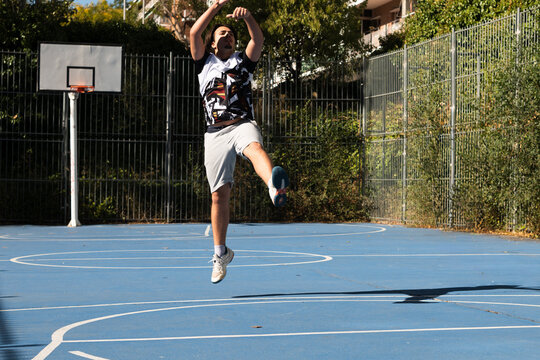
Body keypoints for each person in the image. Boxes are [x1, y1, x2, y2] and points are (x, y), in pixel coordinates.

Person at [190, 0, 289, 284]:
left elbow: (258, 39)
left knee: (254, 148)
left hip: (242, 123)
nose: (226, 35)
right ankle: (220, 254)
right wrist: (213, 11)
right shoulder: (203, 64)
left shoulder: (242, 62)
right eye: (221, 33)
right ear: (212, 44)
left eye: (230, 34)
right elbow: (194, 34)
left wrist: (248, 18)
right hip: (214, 133)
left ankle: (274, 186)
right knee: (219, 194)